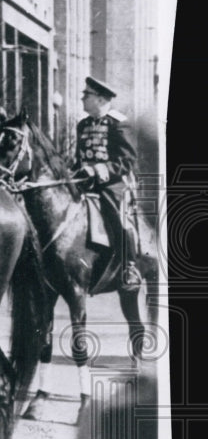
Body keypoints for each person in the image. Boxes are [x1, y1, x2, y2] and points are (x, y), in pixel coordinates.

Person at [73, 76, 142, 290]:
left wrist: (99, 170)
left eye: (87, 95)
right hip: (85, 180)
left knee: (116, 214)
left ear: (101, 100)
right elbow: (78, 157)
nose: (82, 98)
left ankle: (130, 266)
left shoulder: (119, 123)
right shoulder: (83, 124)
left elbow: (127, 160)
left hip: (112, 183)